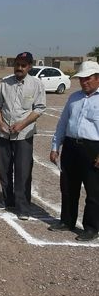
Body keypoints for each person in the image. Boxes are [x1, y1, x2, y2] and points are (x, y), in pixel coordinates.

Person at [48, 61, 99, 241]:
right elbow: (63, 123)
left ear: (97, 78)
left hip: (93, 149)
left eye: (88, 78)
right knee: (68, 187)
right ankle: (67, 221)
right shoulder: (74, 98)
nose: (84, 82)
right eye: (81, 79)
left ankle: (91, 228)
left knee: (94, 192)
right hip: (71, 146)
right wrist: (55, 146)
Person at [0, 52, 46, 220]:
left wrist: (22, 124)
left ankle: (23, 207)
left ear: (29, 66)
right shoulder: (5, 83)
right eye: (17, 64)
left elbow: (39, 108)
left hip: (24, 135)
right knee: (4, 169)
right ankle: (8, 200)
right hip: (3, 134)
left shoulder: (36, 84)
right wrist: (1, 124)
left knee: (22, 171)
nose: (19, 68)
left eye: (23, 65)